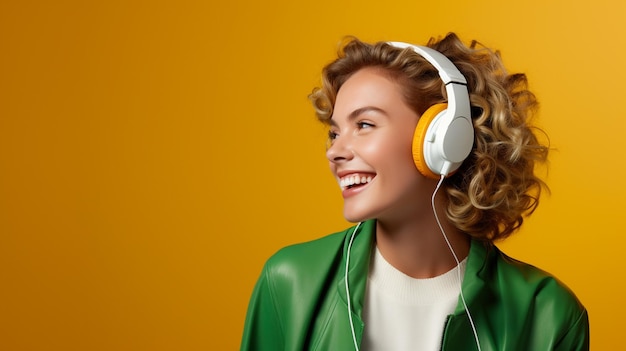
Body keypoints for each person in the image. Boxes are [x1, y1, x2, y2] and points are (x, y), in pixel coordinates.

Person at [240, 32, 589, 351]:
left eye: (364, 125)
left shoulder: (547, 313)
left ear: (444, 140)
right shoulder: (289, 282)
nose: (335, 151)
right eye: (335, 132)